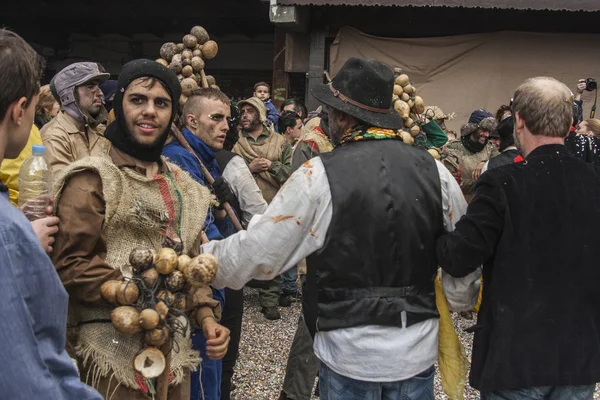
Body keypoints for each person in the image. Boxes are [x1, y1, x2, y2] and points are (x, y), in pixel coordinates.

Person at [203, 57, 480, 400]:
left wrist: (207, 258)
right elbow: (463, 255)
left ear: (343, 117)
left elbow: (263, 254)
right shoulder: (435, 173)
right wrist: (458, 297)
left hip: (350, 352)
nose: (326, 118)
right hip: (415, 346)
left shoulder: (319, 175)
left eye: (330, 110)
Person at [51, 59, 228, 399]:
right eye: (138, 100)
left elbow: (190, 265)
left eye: (161, 103)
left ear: (172, 115)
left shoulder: (185, 187)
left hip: (173, 355)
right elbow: (71, 264)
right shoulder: (92, 178)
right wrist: (134, 293)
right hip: (110, 354)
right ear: (119, 105)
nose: (150, 111)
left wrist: (206, 317)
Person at [437, 77, 600, 400]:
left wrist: (435, 228)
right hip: (578, 356)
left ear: (519, 122)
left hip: (517, 358)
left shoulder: (503, 183)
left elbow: (458, 256)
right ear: (569, 124)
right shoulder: (592, 181)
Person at [0, 28, 102, 400]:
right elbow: (27, 376)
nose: (99, 94)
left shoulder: (97, 134)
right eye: (90, 87)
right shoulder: (10, 238)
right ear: (20, 110)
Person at [163, 87, 250, 400]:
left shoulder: (206, 159)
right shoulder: (179, 159)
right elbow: (198, 234)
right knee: (198, 381)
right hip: (195, 287)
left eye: (228, 118)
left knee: (212, 375)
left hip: (214, 286)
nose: (226, 125)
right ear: (191, 121)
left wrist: (225, 211)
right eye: (217, 118)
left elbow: (219, 230)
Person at [232, 96, 292, 320]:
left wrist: (271, 166)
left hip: (275, 204)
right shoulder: (237, 144)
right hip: (246, 208)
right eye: (243, 111)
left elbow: (290, 172)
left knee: (272, 252)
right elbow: (230, 174)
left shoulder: (280, 142)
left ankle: (269, 301)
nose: (245, 114)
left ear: (260, 114)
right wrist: (250, 167)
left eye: (249, 110)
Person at [41, 62, 111, 174]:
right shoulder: (54, 136)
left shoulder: (97, 130)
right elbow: (62, 187)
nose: (100, 93)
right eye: (91, 87)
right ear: (69, 94)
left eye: (98, 86)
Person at [446, 109, 499, 202]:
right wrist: (481, 183)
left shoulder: (490, 148)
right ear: (472, 128)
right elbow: (451, 182)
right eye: (483, 130)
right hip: (460, 203)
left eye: (489, 131)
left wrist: (486, 163)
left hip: (483, 204)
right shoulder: (454, 147)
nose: (487, 134)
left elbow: (500, 168)